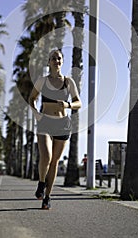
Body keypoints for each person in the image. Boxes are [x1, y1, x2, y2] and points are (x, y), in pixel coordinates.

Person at [29, 49, 82, 209]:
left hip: (62, 124)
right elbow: (32, 98)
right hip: (45, 122)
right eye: (53, 58)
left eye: (59, 58)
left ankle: (48, 197)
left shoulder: (68, 82)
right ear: (49, 62)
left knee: (54, 162)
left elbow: (78, 103)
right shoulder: (42, 81)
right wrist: (36, 114)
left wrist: (68, 105)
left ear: (62, 61)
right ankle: (41, 182)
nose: (56, 61)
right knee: (46, 156)